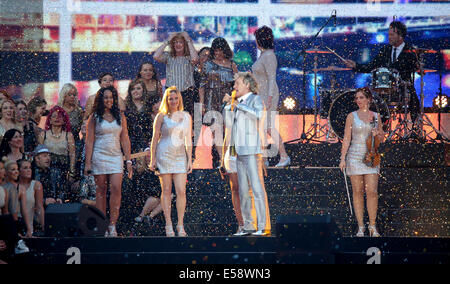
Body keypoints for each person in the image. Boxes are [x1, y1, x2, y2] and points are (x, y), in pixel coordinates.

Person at [222, 72, 271, 236]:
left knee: (256, 189)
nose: (234, 87)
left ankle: (262, 226)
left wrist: (236, 104)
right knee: (243, 191)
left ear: (247, 85)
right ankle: (248, 226)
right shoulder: (236, 103)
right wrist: (227, 108)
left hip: (251, 151)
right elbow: (230, 127)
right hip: (238, 152)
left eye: (237, 84)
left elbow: (257, 116)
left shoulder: (255, 99)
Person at [344, 21, 420, 125]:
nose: (389, 37)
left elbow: (418, 68)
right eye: (389, 34)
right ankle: (379, 129)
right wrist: (356, 66)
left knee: (414, 99)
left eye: (392, 35)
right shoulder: (385, 50)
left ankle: (415, 129)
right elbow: (371, 66)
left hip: (404, 87)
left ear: (400, 36)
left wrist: (419, 69)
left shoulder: (411, 51)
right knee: (374, 100)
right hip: (385, 88)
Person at [85, 86, 133, 237]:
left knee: (116, 188)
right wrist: (88, 163)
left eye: (111, 97)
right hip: (99, 156)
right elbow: (89, 141)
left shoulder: (120, 115)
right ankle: (102, 224)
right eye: (106, 97)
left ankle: (112, 225)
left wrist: (129, 161)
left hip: (116, 156)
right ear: (100, 99)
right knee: (101, 191)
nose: (109, 100)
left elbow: (125, 138)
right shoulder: (94, 117)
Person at [339, 87, 384, 237]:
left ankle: (372, 225)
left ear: (369, 99)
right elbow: (347, 138)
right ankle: (360, 227)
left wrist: (378, 133)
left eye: (361, 98)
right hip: (355, 155)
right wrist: (342, 158)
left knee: (372, 191)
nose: (358, 100)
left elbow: (382, 137)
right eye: (357, 98)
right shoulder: (351, 116)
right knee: (357, 192)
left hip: (371, 155)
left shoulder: (376, 116)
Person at [149, 86, 193, 237]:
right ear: (166, 100)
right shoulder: (161, 116)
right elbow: (154, 139)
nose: (173, 101)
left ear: (179, 99)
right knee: (166, 191)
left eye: (175, 98)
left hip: (180, 155)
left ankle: (180, 224)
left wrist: (190, 159)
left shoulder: (186, 116)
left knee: (181, 191)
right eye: (170, 98)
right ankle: (168, 224)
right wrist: (153, 159)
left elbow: (188, 139)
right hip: (164, 154)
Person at [252, 26, 291, 168]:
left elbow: (271, 77)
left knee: (268, 127)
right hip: (261, 94)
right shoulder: (263, 55)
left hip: (268, 94)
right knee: (261, 128)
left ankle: (284, 156)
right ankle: (264, 158)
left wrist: (268, 97)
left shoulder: (269, 55)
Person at [199, 37, 238, 168]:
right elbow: (202, 85)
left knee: (229, 130)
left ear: (225, 50)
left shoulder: (231, 64)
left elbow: (237, 84)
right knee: (216, 130)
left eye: (220, 51)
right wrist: (202, 104)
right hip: (211, 98)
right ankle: (223, 161)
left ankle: (229, 158)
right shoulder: (208, 64)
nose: (218, 53)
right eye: (215, 51)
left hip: (227, 99)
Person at [153, 32, 199, 117]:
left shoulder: (189, 57)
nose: (178, 44)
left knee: (186, 118)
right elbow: (156, 56)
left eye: (181, 42)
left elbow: (195, 59)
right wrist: (167, 41)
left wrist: (188, 40)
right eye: (175, 42)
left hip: (187, 93)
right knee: (171, 117)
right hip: (171, 93)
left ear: (185, 44)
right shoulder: (168, 56)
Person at [38, 106, 76, 201]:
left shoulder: (68, 135)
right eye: (54, 116)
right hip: (46, 171)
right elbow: (38, 154)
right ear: (49, 120)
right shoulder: (43, 135)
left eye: (60, 117)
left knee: (61, 197)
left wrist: (71, 173)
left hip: (63, 170)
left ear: (64, 120)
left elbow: (72, 155)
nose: (57, 119)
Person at [220, 98, 244, 236]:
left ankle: (250, 223)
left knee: (246, 189)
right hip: (233, 150)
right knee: (235, 189)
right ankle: (241, 225)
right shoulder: (229, 108)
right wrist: (222, 159)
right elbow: (227, 134)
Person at [3, 159, 32, 238]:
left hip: (13, 222)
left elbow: (23, 210)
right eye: (13, 169)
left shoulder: (20, 188)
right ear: (6, 172)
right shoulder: (5, 187)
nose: (16, 172)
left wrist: (29, 229)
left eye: (17, 169)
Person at [17, 159, 44, 234]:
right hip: (14, 226)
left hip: (29, 227)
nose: (29, 170)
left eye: (30, 168)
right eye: (25, 168)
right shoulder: (12, 186)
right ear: (18, 171)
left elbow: (39, 207)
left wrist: (44, 226)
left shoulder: (36, 185)